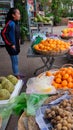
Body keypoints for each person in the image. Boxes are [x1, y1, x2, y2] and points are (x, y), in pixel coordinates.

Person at [1, 8, 23, 79]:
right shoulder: (10, 23)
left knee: (16, 61)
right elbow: (3, 33)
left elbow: (17, 33)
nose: (20, 15)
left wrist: (19, 39)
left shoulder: (16, 22)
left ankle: (17, 73)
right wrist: (11, 44)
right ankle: (16, 76)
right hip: (11, 46)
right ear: (13, 15)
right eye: (18, 13)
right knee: (15, 61)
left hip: (16, 45)